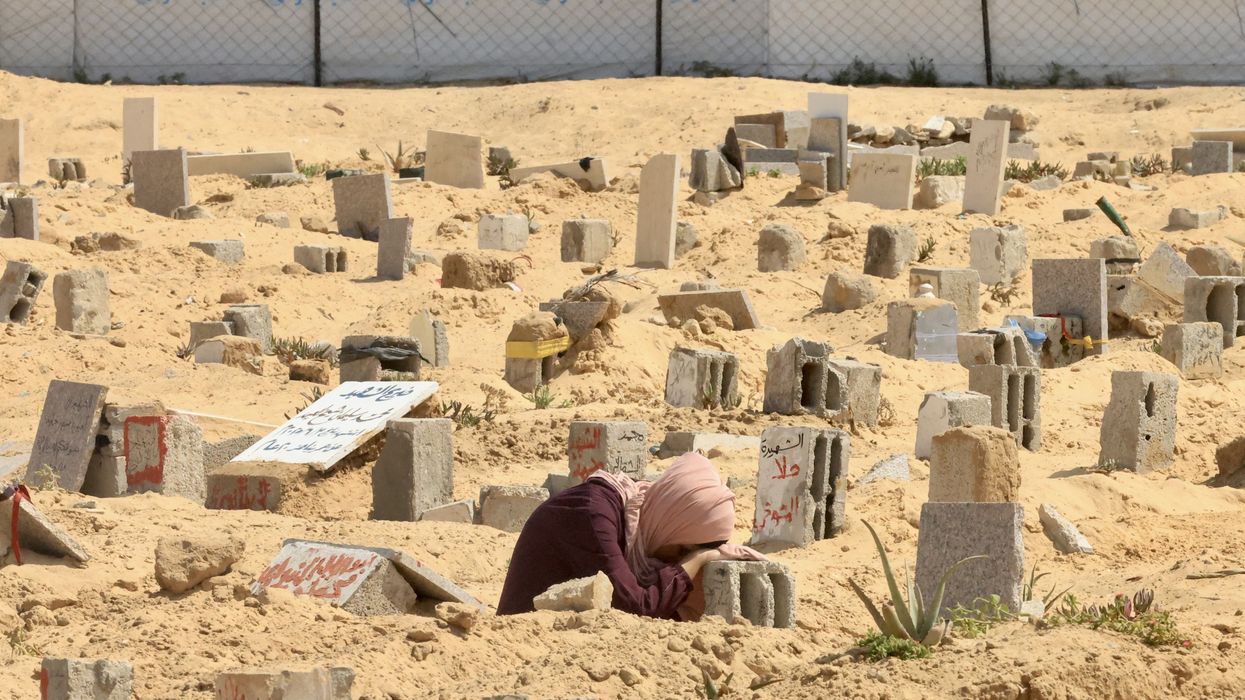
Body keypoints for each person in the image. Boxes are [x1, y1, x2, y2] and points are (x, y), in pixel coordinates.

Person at [497, 452, 765, 619]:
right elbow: (636, 607)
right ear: (670, 527)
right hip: (526, 648)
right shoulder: (593, 515)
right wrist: (698, 559)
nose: (677, 561)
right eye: (682, 551)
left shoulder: (638, 517)